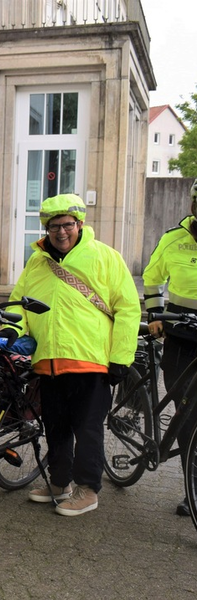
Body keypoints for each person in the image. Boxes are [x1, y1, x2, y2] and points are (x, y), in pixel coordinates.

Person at [0, 193, 139, 516]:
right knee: (56, 426)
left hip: (91, 361)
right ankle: (60, 483)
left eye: (67, 225)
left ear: (80, 224)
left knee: (87, 428)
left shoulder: (105, 257)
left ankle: (88, 490)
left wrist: (121, 358)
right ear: (46, 228)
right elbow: (19, 304)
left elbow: (128, 308)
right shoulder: (37, 262)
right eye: (54, 226)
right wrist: (12, 331)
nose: (61, 232)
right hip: (48, 362)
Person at [142, 179, 197, 517]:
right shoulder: (173, 240)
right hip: (180, 332)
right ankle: (193, 487)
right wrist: (155, 315)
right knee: (186, 412)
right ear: (193, 205)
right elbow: (151, 276)